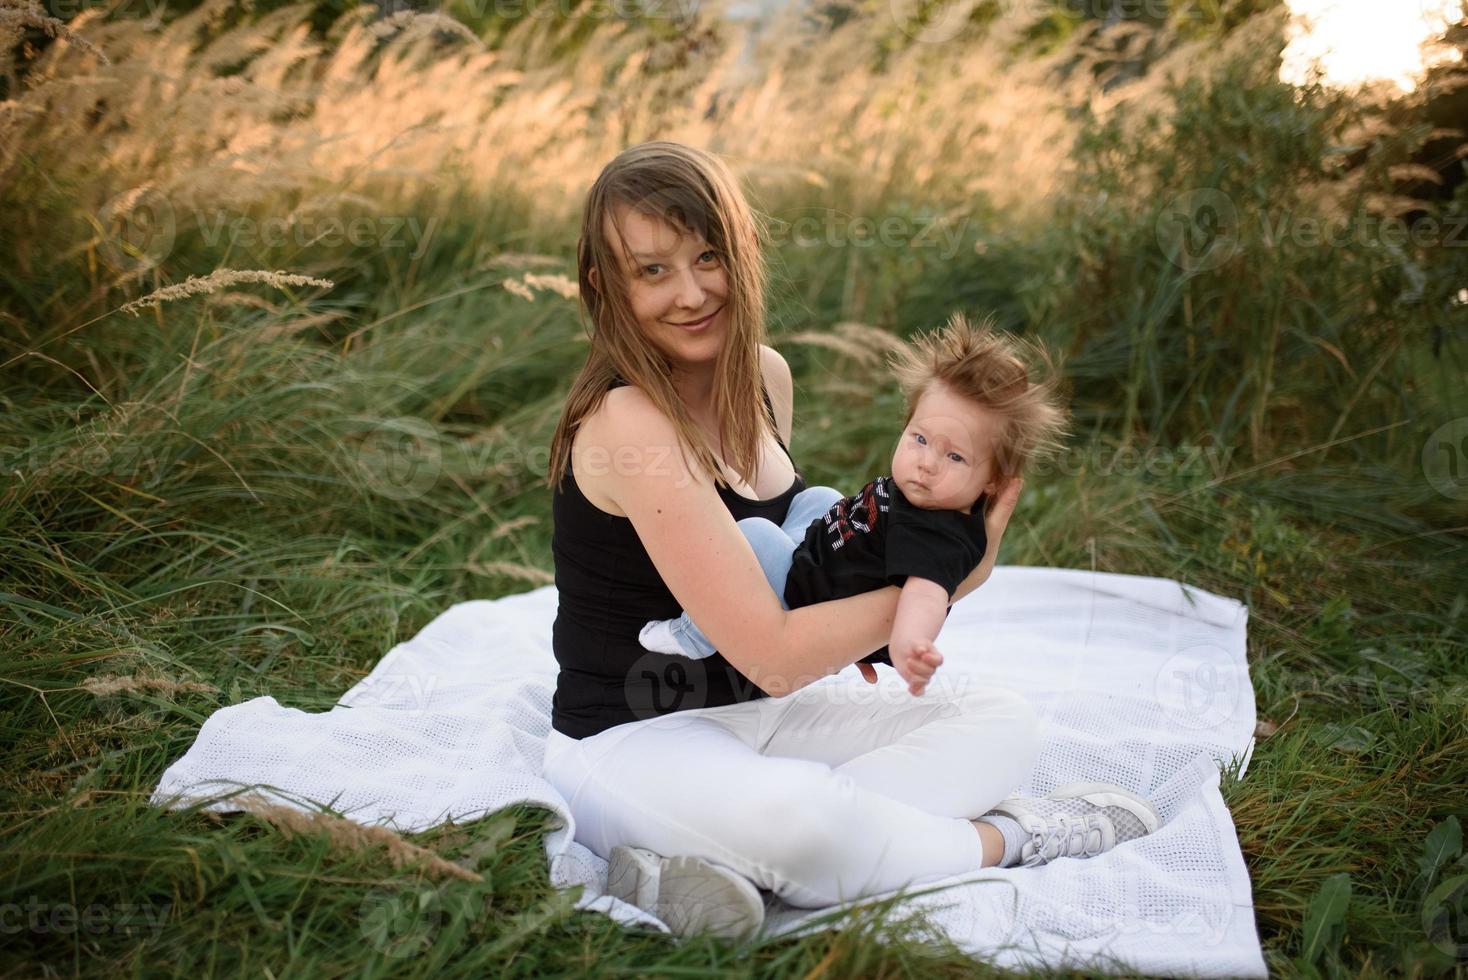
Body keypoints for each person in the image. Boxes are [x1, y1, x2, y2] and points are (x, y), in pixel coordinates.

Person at [540, 140, 1161, 940]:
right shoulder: (630, 423)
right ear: (607, 286)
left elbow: (797, 591)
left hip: (764, 718)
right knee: (806, 825)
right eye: (652, 270)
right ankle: (1005, 839)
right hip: (632, 738)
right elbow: (773, 652)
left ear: (743, 253)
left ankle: (725, 873)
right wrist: (943, 583)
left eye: (708, 257)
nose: (692, 293)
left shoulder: (764, 377)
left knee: (1003, 723)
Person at [635, 311, 1067, 699]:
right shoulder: (923, 493)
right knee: (818, 499)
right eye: (919, 438)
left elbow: (926, 595)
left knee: (751, 537)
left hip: (812, 597)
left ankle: (694, 633)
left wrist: (909, 644)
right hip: (826, 560)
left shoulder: (939, 532)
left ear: (992, 480)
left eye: (955, 457)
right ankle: (793, 557)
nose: (927, 464)